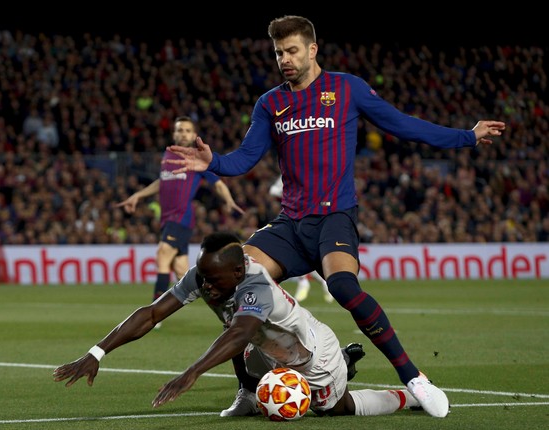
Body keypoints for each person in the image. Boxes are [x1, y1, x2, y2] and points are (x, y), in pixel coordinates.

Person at [166, 15, 507, 418]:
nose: (285, 60)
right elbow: (244, 158)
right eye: (279, 53)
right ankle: (247, 389)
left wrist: (466, 135)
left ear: (312, 49)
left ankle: (414, 378)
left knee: (345, 287)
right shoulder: (271, 103)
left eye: (292, 50)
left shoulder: (347, 89)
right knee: (233, 281)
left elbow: (403, 125)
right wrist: (214, 162)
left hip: (334, 219)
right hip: (290, 225)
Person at [53, 232, 421, 418]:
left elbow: (241, 331)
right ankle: (248, 393)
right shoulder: (205, 275)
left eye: (214, 280)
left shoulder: (256, 283)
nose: (207, 287)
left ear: (238, 270)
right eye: (204, 278)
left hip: (313, 356)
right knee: (238, 337)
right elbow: (151, 313)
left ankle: (408, 396)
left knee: (333, 410)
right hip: (269, 348)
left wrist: (191, 373)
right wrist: (97, 351)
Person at [115, 116, 245, 305]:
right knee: (182, 271)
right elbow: (163, 181)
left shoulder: (196, 158)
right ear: (174, 133)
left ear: (193, 135)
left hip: (181, 217)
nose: (183, 134)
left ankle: (155, 310)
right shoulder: (168, 155)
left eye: (187, 130)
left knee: (163, 254)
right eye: (179, 130)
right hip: (167, 219)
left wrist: (229, 200)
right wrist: (138, 195)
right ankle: (228, 303)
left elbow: (216, 183)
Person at [270, 175, 332, 303]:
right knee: (296, 252)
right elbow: (273, 191)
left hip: (308, 218)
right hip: (290, 217)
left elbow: (325, 199)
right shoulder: (287, 174)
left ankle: (311, 282)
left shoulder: (314, 178)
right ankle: (309, 282)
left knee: (305, 253)